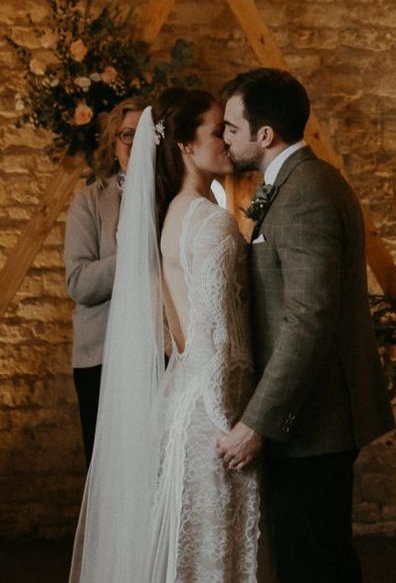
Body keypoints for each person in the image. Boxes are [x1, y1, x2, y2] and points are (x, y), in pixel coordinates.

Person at [70, 88, 261, 582]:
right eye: (217, 130)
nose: (227, 139)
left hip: (180, 402)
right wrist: (235, 427)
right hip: (214, 417)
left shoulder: (169, 215)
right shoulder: (211, 223)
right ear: (183, 145)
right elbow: (220, 342)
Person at [217, 68, 395, 583]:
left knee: (313, 564)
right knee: (316, 558)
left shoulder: (307, 193)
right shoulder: (294, 183)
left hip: (315, 418)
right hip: (309, 415)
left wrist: (257, 423)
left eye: (232, 127)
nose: (225, 138)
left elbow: (309, 319)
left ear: (264, 135)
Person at [64, 97, 145, 466]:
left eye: (146, 134)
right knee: (108, 467)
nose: (136, 143)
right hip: (102, 356)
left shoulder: (175, 197)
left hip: (157, 357)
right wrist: (134, 259)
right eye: (128, 134)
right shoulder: (89, 202)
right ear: (113, 142)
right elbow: (79, 281)